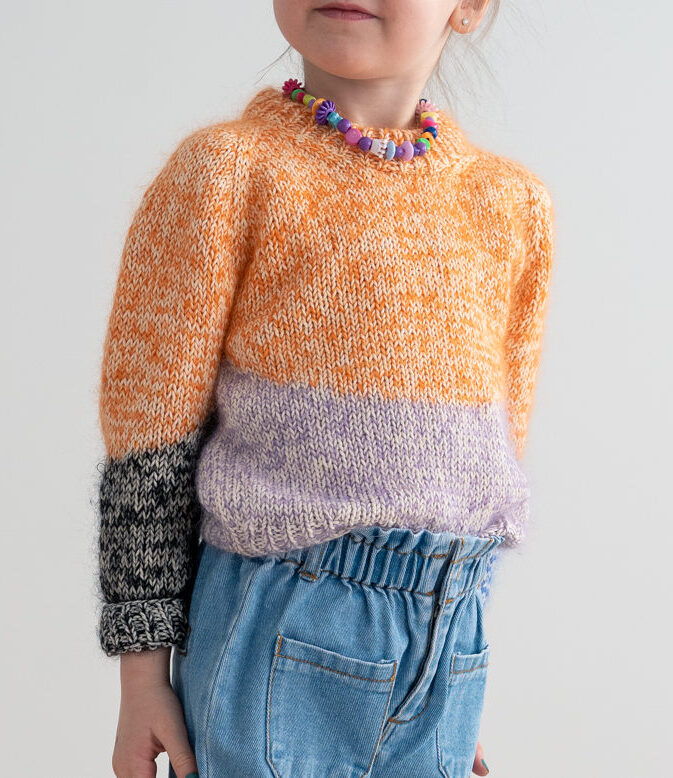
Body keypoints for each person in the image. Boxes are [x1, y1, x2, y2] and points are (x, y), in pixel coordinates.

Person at [94, 1, 555, 776]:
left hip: (447, 638)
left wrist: (441, 682)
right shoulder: (228, 172)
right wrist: (144, 679)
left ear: (469, 6)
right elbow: (148, 443)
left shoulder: (511, 205)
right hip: (279, 618)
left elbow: (487, 458)